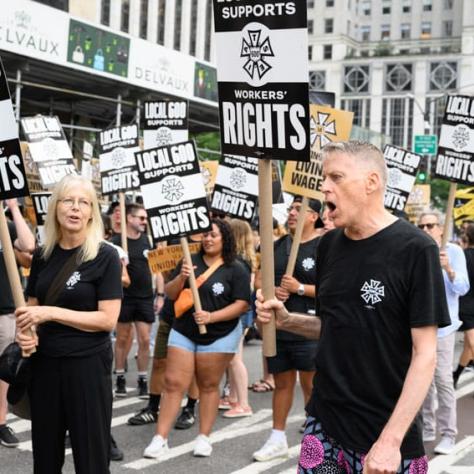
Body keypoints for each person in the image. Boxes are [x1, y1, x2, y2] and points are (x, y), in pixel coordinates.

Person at [256, 141, 450, 474]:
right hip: (325, 425)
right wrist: (288, 321)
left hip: (386, 438)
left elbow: (426, 354)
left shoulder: (416, 250)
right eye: (324, 177)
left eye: (336, 177)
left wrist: (390, 442)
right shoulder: (329, 245)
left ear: (371, 182)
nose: (324, 186)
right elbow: (336, 324)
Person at [15, 175, 122, 473]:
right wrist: (26, 334)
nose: (75, 208)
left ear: (91, 212)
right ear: (55, 208)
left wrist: (49, 314)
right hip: (45, 366)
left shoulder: (106, 256)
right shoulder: (43, 255)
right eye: (68, 201)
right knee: (45, 458)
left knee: (91, 458)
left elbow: (107, 320)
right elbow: (32, 307)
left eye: (83, 202)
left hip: (87, 367)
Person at [143, 219, 250, 459]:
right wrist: (181, 277)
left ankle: (204, 438)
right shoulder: (188, 260)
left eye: (214, 235)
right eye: (205, 235)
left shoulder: (237, 268)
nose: (208, 239)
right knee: (172, 383)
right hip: (183, 330)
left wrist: (212, 317)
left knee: (209, 385)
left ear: (226, 239)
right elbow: (171, 294)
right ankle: (160, 438)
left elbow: (242, 304)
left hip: (219, 335)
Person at [253, 196, 321, 461]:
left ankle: (317, 440)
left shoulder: (323, 246)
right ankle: (277, 437)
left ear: (314, 215)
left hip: (309, 328)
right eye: (291, 208)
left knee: (311, 386)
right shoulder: (278, 245)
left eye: (298, 209)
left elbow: (333, 289)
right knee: (282, 383)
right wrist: (266, 291)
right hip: (279, 328)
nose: (291, 213)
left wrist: (299, 288)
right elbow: (258, 279)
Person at [419, 211, 469, 454]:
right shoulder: (417, 250)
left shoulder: (453, 251)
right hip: (420, 327)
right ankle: (428, 427)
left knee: (443, 381)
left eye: (431, 225)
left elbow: (463, 287)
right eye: (422, 225)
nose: (426, 229)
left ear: (441, 228)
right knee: (422, 383)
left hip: (445, 327)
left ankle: (449, 433)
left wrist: (448, 268)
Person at [0, 199, 35, 448]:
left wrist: (13, 207)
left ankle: (0, 422)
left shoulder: (5, 225)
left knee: (4, 370)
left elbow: (28, 245)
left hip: (4, 308)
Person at [112, 203, 154, 398]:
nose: (144, 222)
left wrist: (159, 294)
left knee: (145, 339)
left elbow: (156, 269)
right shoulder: (115, 242)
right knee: (122, 337)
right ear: (129, 218)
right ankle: (120, 375)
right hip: (124, 297)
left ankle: (143, 378)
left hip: (145, 296)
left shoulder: (148, 241)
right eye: (141, 218)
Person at [220, 218, 257, 418]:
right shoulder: (246, 258)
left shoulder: (238, 261)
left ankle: (243, 404)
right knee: (233, 357)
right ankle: (233, 398)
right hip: (245, 311)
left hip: (239, 312)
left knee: (235, 359)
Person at [454, 224, 474, 386]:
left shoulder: (462, 255)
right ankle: (455, 376)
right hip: (468, 306)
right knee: (470, 344)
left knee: (470, 344)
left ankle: (455, 376)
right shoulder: (462, 254)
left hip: (466, 304)